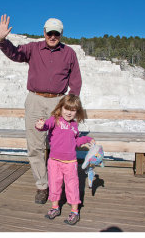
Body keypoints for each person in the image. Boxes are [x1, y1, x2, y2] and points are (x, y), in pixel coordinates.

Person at [0, 14, 82, 204]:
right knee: (35, 146)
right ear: (43, 32)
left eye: (56, 34)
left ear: (61, 35)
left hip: (58, 102)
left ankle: (58, 183)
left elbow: (75, 80)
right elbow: (15, 53)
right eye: (49, 33)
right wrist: (2, 40)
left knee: (58, 145)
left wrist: (70, 103)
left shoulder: (69, 53)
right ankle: (42, 186)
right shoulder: (33, 48)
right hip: (35, 101)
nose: (52, 36)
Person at [35, 94, 95, 225]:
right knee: (54, 184)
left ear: (77, 111)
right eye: (66, 109)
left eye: (73, 110)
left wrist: (87, 139)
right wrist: (40, 125)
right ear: (61, 108)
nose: (69, 112)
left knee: (72, 186)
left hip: (70, 162)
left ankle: (75, 211)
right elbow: (46, 125)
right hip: (54, 161)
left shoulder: (74, 125)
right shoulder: (55, 120)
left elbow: (76, 140)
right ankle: (55, 207)